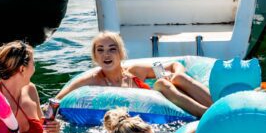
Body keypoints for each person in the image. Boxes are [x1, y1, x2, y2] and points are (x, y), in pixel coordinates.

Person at [56, 31, 211, 118]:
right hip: (144, 121)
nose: (106, 55)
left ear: (121, 53)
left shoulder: (134, 71)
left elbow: (173, 65)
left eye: (112, 49)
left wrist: (168, 74)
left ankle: (214, 106)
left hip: (171, 102)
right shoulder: (93, 80)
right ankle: (204, 114)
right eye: (100, 50)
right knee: (162, 83)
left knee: (173, 79)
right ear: (95, 56)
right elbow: (58, 99)